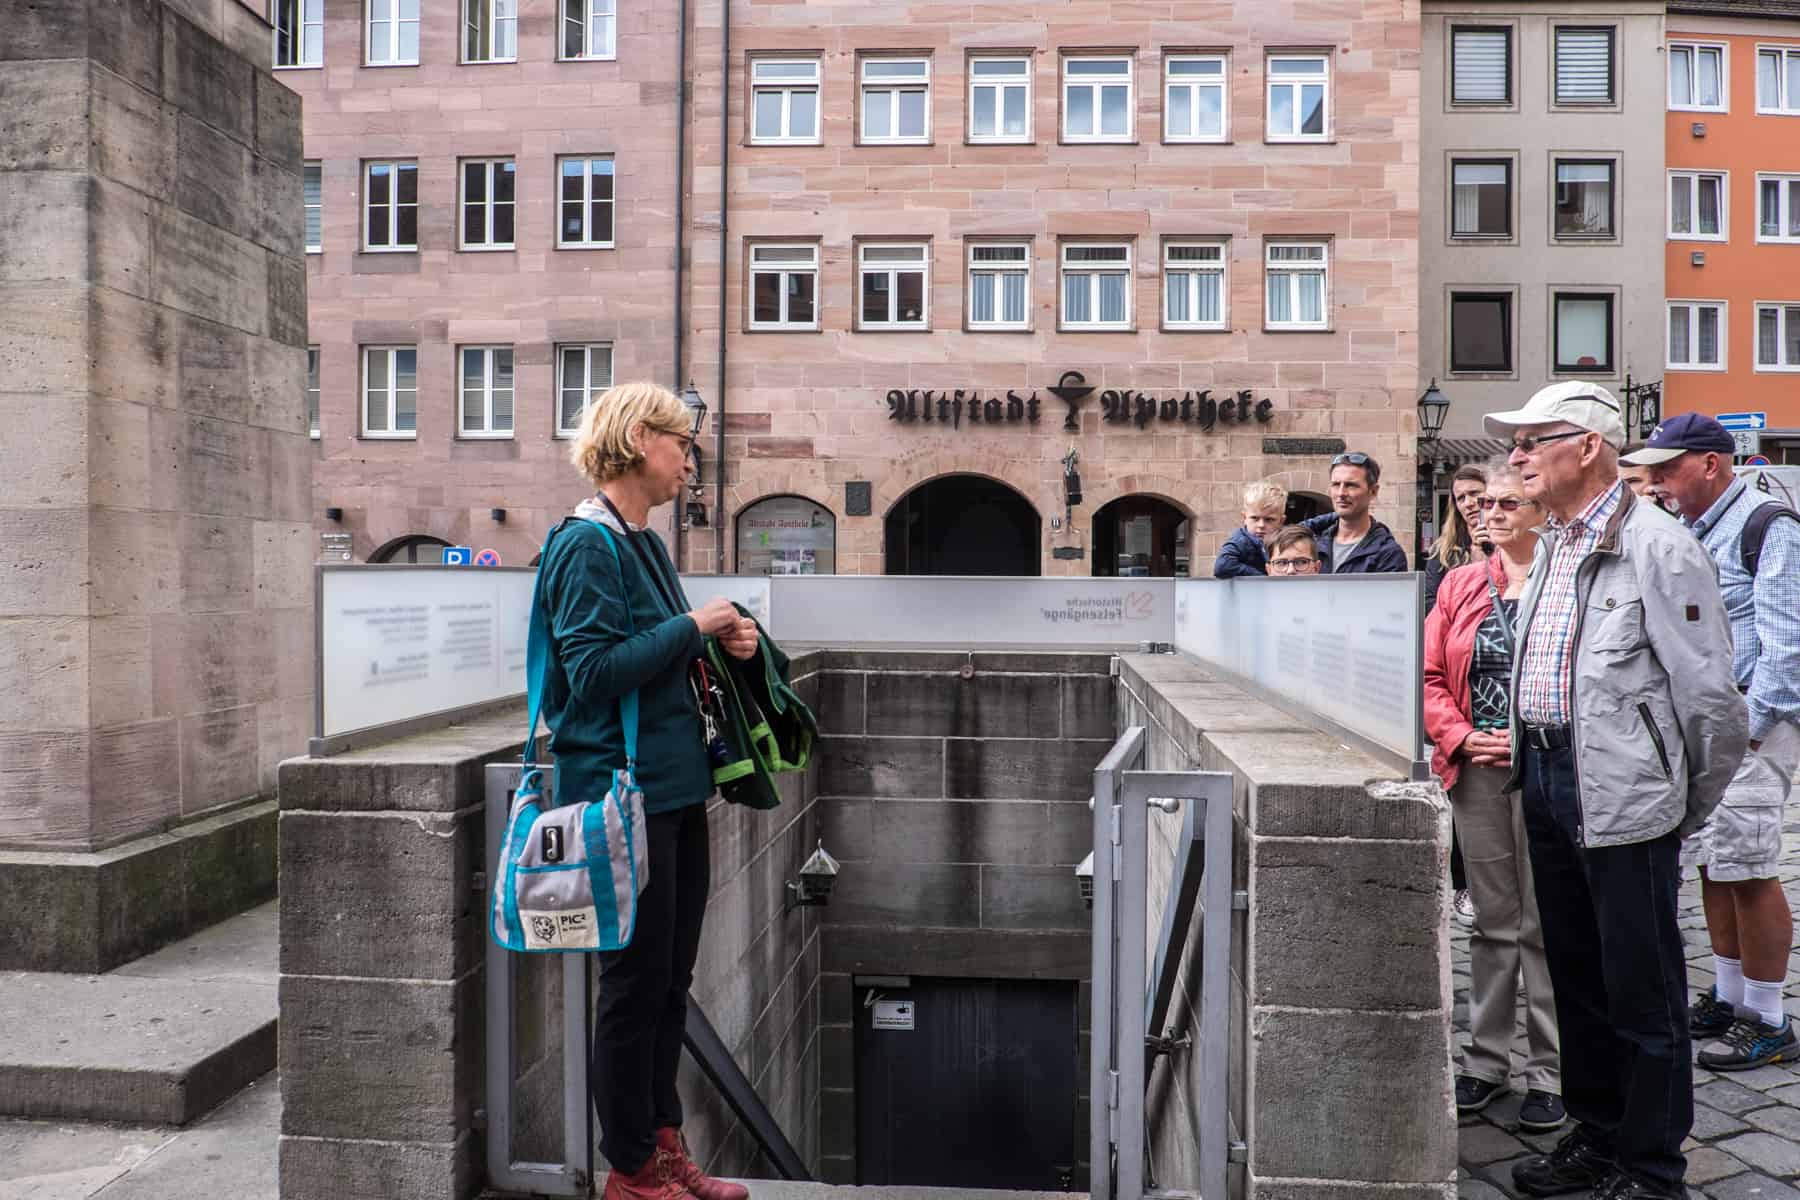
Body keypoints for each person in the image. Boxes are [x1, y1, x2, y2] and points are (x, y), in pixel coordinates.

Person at [1485, 383, 1746, 1200]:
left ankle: (1650, 1168)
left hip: (1626, 794)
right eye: (1514, 442)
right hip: (1549, 779)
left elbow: (1711, 701)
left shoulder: (1658, 546)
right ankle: (1596, 1136)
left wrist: (1678, 803)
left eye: (1535, 440)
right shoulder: (1558, 541)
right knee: (1579, 981)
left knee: (1644, 990)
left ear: (1588, 447)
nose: (1517, 455)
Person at [538, 381, 761, 1200]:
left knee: (671, 983)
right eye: (681, 445)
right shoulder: (587, 544)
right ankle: (629, 1169)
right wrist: (692, 625)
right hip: (618, 799)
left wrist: (721, 643)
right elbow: (592, 674)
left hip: (671, 791)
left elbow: (659, 655)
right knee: (632, 989)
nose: (689, 463)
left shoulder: (645, 545)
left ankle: (666, 1153)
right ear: (639, 439)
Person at [1624, 414, 1800, 1070]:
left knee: (1750, 868)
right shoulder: (1701, 524)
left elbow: (1788, 639)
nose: (1660, 482)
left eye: (1669, 468)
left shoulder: (1766, 524)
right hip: (1715, 728)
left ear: (1709, 464)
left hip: (1752, 729)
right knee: (1714, 862)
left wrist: (1750, 733)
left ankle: (1768, 1018)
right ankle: (1729, 998)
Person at [1424, 462, 1563, 1132]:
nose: (1493, 512)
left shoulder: (1565, 582)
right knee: (1490, 921)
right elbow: (1427, 676)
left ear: (1542, 512)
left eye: (1511, 502)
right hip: (1475, 772)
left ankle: (1549, 1071)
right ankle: (1484, 1061)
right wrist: (1459, 735)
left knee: (1543, 922)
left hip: (1545, 769)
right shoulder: (1459, 583)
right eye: (1486, 504)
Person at [1424, 464, 1489, 927]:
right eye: (1462, 496)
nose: (1469, 503)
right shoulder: (1445, 557)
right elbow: (1432, 627)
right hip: (1457, 691)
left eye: (1478, 494)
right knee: (1461, 800)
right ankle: (1463, 884)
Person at [1301, 451, 1410, 572]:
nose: (1341, 493)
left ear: (1373, 491)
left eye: (1351, 485)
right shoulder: (1312, 544)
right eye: (1336, 484)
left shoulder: (1388, 554)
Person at [1424, 465, 1488, 615]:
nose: (1468, 503)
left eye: (1474, 493)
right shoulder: (1443, 549)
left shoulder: (1509, 541)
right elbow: (1430, 603)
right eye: (1461, 498)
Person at [1214, 481, 1288, 577]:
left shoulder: (1280, 540)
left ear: (1281, 521)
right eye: (1255, 518)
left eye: (1269, 520)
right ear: (1244, 518)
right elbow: (1222, 565)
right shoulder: (1240, 541)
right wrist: (1261, 578)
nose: (1261, 525)